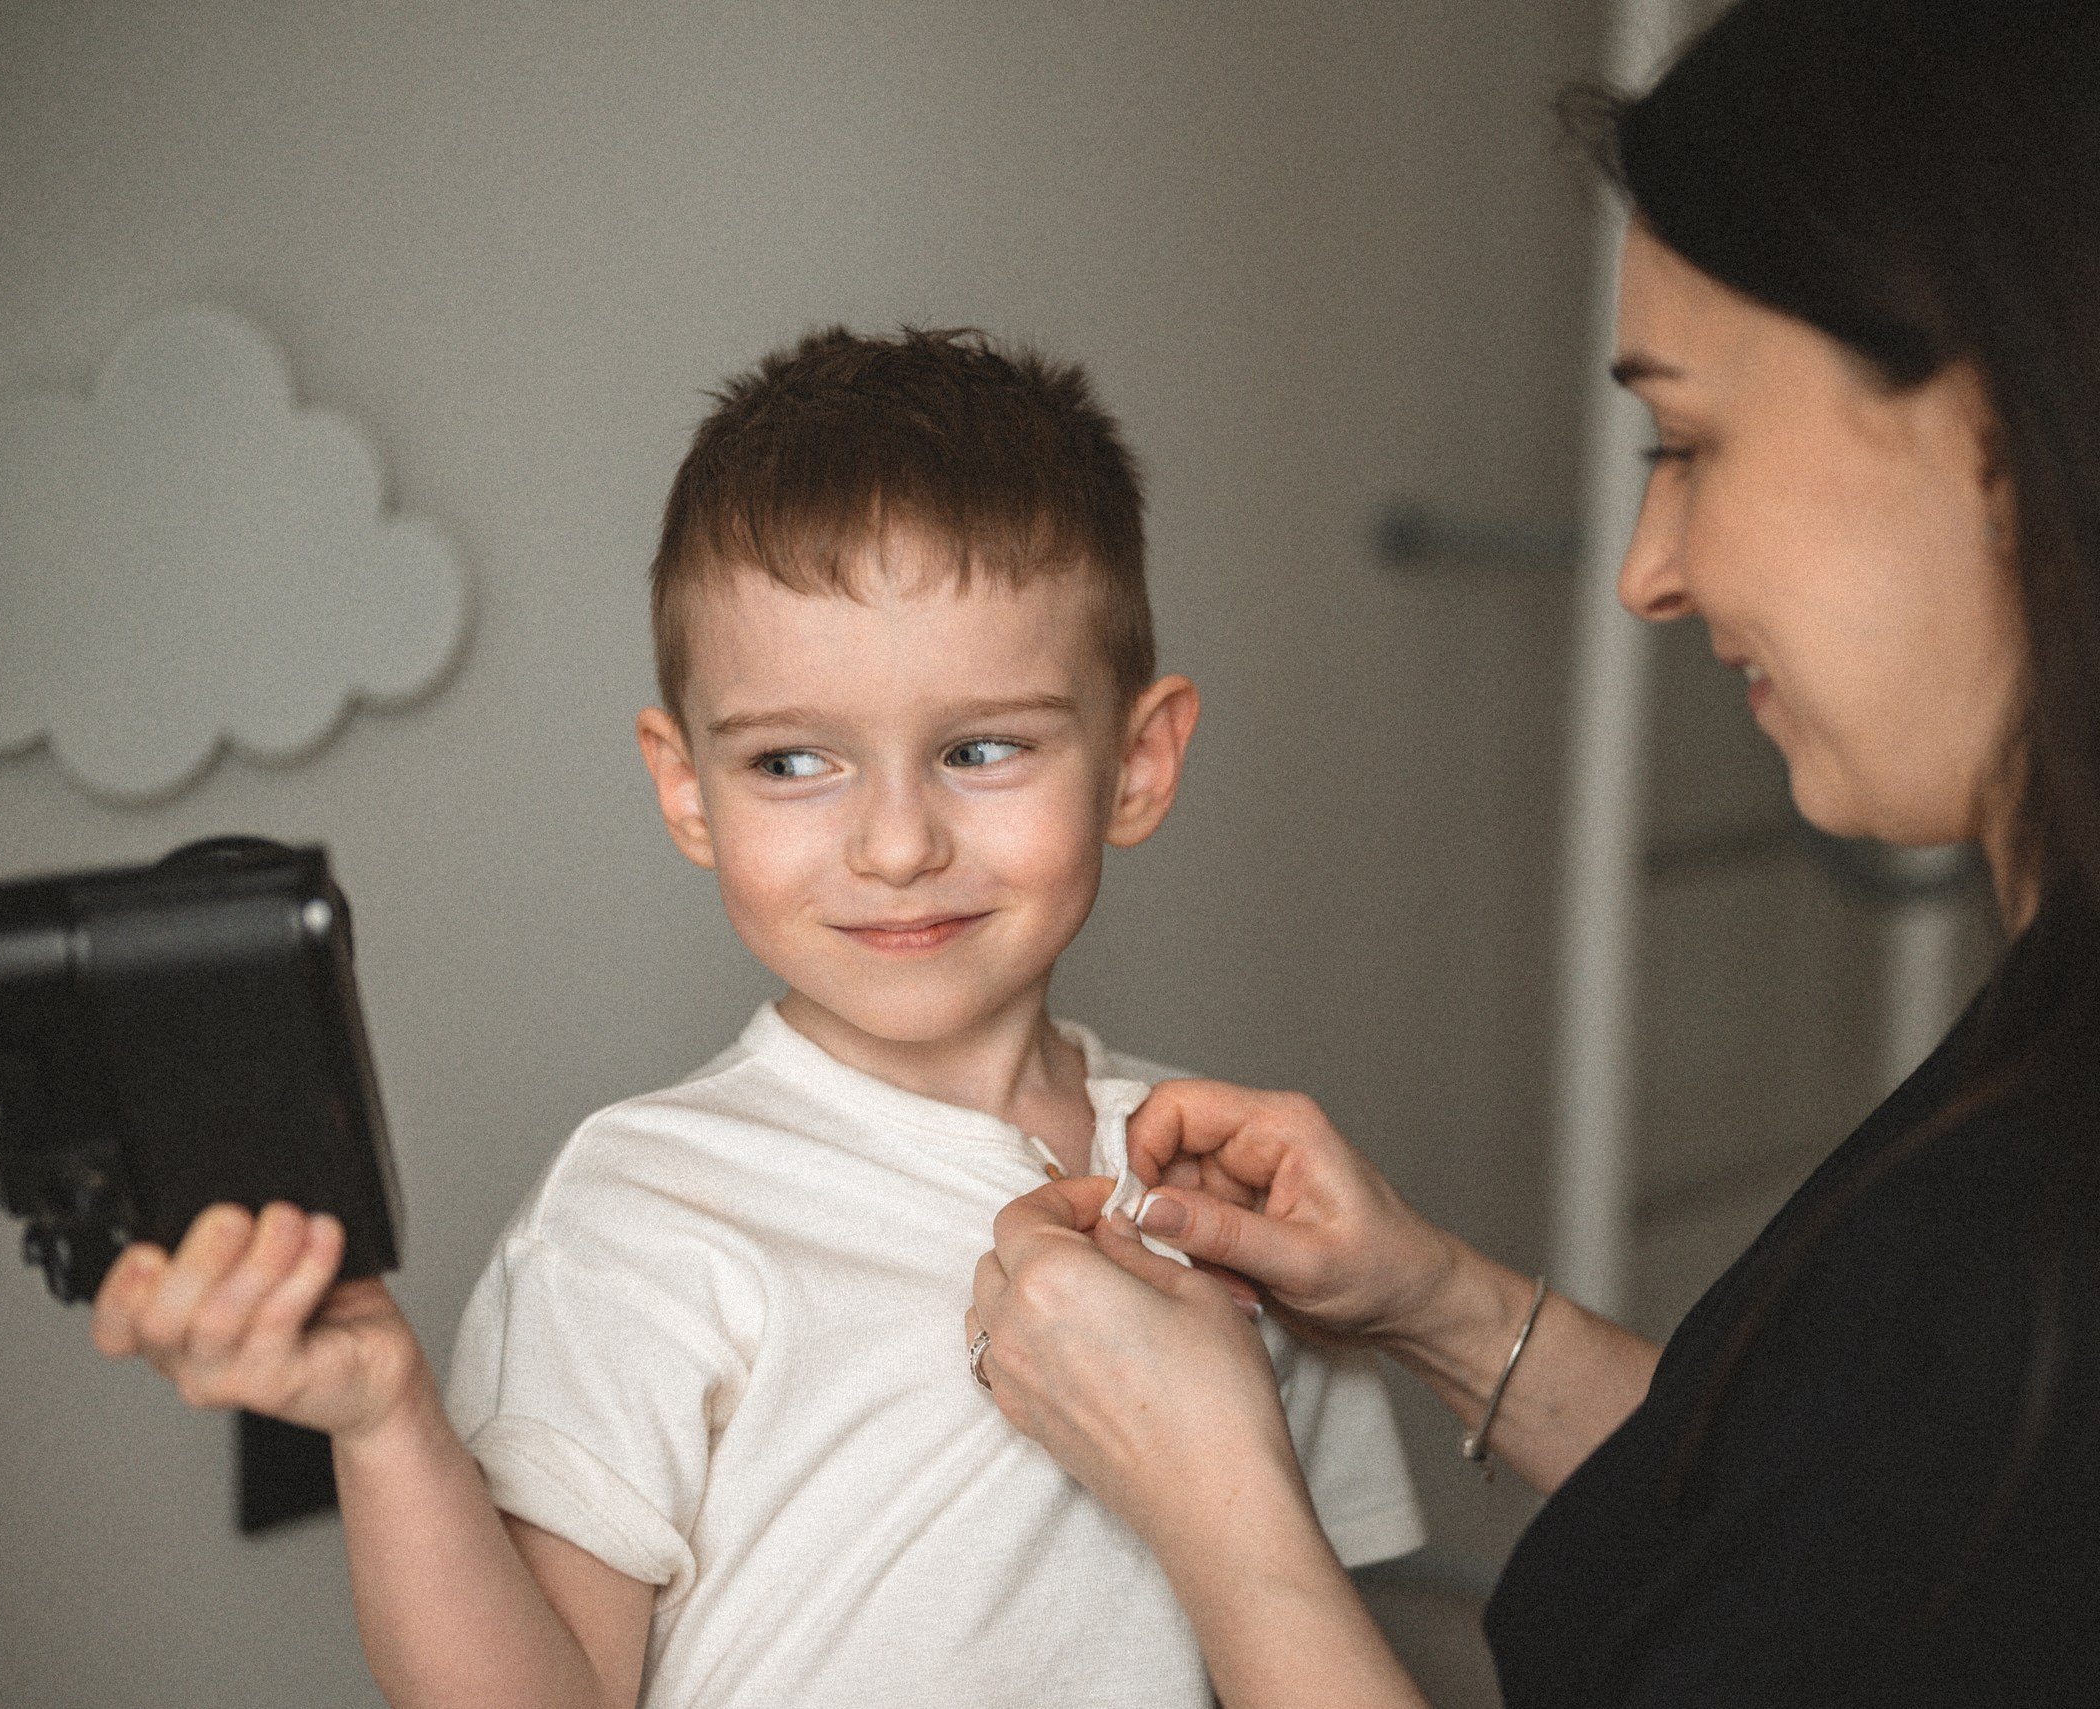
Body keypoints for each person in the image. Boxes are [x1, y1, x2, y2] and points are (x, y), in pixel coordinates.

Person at [965, 1, 2100, 1703]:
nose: (1649, 569)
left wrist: (1215, 1503)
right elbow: (1874, 1542)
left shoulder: (2095, 1250)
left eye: (1687, 444)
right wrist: (1440, 1305)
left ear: (2016, 432)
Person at [88, 327, 1424, 1708]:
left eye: (981, 749)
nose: (896, 843)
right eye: (793, 761)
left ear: (1136, 763)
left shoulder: (1230, 1197)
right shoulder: (640, 1212)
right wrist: (385, 1423)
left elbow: (1302, 1639)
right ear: (687, 791)